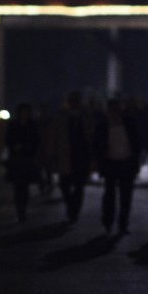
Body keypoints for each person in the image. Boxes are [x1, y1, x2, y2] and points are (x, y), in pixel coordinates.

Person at [93, 98, 141, 235]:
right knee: (109, 196)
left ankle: (123, 224)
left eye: (116, 110)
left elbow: (136, 142)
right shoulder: (103, 126)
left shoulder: (128, 123)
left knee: (125, 196)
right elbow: (97, 145)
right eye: (112, 110)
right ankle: (108, 222)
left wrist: (135, 159)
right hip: (110, 164)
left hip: (126, 163)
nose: (114, 113)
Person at [50, 91, 95, 224]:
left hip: (81, 157)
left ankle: (74, 211)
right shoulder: (61, 115)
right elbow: (54, 134)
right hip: (66, 156)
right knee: (64, 184)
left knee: (79, 186)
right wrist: (52, 152)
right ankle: (71, 206)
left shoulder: (85, 115)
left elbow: (91, 132)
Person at [4, 103, 39, 223]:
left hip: (27, 159)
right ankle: (19, 210)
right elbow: (8, 140)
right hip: (16, 159)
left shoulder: (32, 125)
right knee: (18, 187)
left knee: (25, 187)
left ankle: (23, 209)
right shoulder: (13, 125)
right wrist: (15, 146)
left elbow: (36, 141)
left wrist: (28, 147)